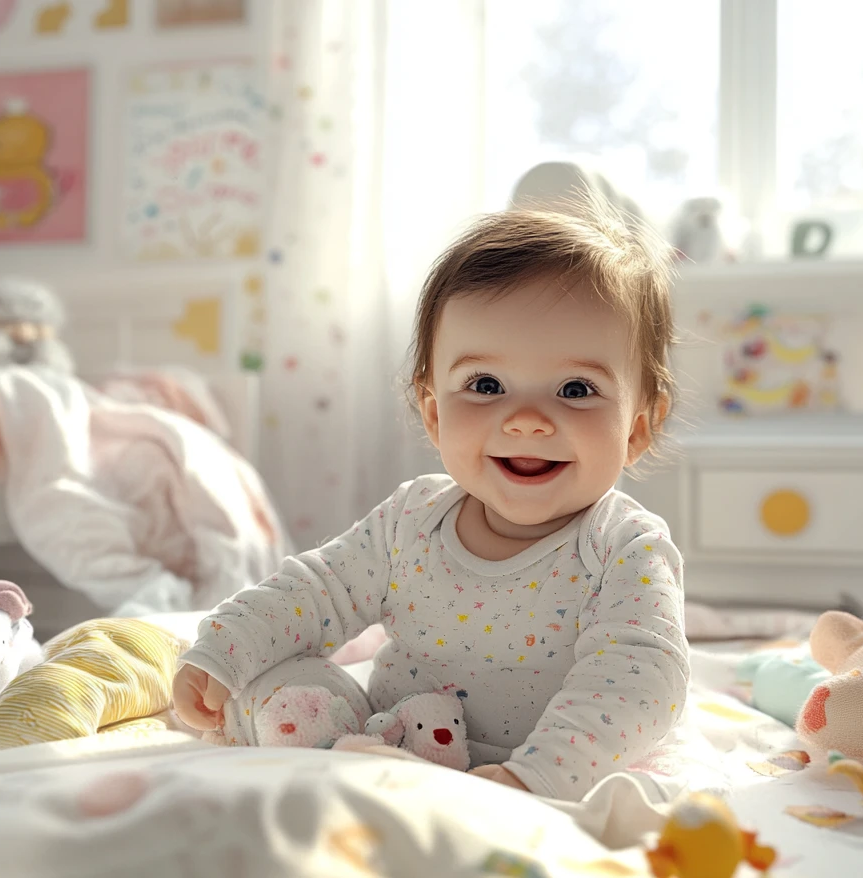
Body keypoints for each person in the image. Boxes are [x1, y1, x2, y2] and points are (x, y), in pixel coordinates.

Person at [172, 194, 689, 802]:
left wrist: (538, 773)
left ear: (636, 429)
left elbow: (639, 676)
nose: (524, 419)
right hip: (395, 740)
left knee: (629, 738)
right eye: (486, 385)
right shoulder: (413, 519)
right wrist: (223, 649)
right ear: (436, 414)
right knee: (281, 672)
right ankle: (335, 757)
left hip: (544, 770)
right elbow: (317, 589)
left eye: (576, 389)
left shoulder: (623, 546)